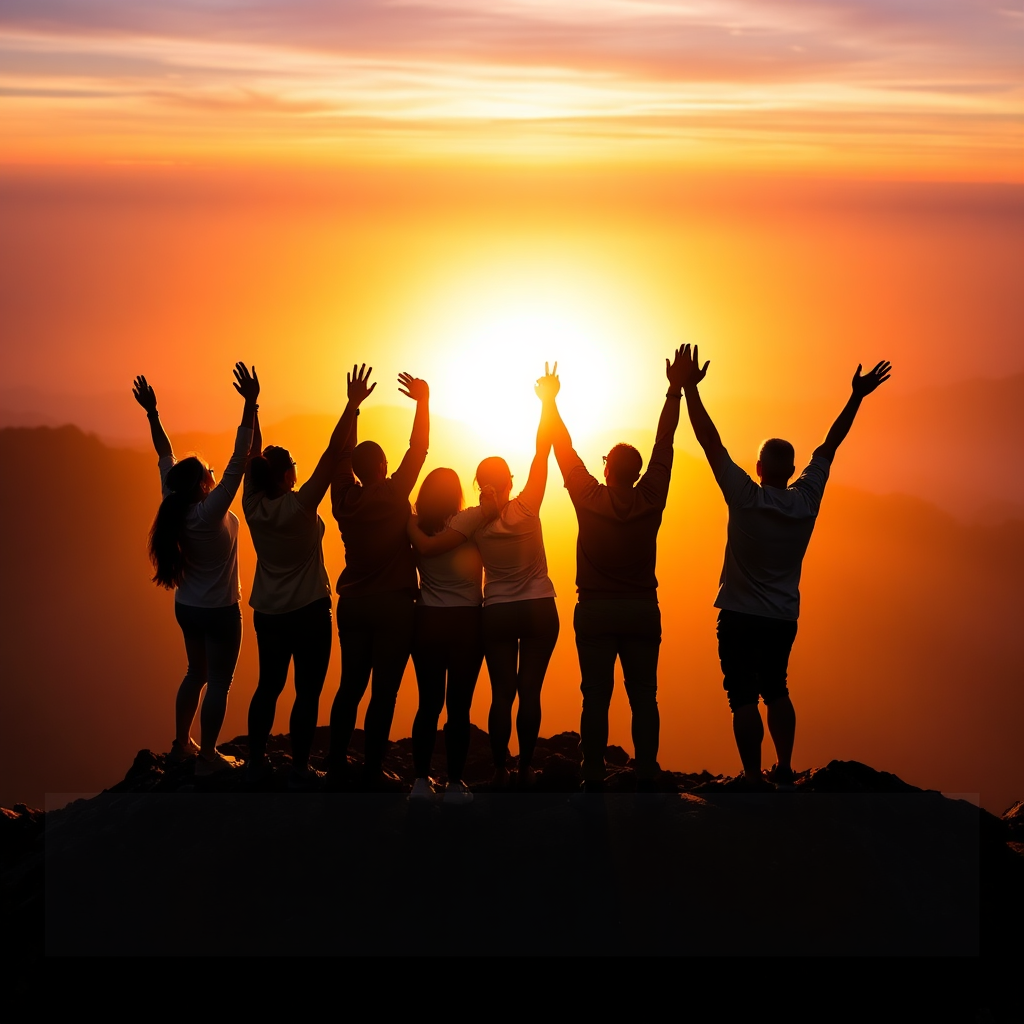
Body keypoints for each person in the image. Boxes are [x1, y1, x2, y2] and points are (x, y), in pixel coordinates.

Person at [681, 349, 892, 788]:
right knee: (776, 688)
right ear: (793, 469)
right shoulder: (806, 501)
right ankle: (784, 768)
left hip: (738, 614)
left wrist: (689, 389)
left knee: (741, 696)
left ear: (757, 469)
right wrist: (857, 397)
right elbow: (830, 445)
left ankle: (753, 775)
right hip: (782, 616)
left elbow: (710, 442)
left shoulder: (744, 496)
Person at [538, 351, 688, 792]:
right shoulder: (652, 497)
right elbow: (666, 444)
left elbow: (563, 450)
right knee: (644, 696)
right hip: (642, 608)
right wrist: (674, 390)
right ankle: (645, 770)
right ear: (639, 472)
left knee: (596, 697)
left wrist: (549, 402)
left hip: (596, 609)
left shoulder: (588, 496)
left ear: (606, 469)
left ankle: (592, 773)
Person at [409, 368, 558, 789]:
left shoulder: (473, 524)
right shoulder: (528, 505)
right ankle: (525, 769)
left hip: (494, 613)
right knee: (530, 692)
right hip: (540, 607)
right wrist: (548, 401)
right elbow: (542, 451)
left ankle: (497, 769)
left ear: (477, 486)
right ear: (510, 481)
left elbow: (443, 536)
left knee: (501, 695)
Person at [243, 365, 375, 790]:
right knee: (306, 692)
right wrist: (351, 405)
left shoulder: (252, 506)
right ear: (287, 476)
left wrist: (251, 404)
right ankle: (300, 767)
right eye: (293, 467)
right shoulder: (300, 507)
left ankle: (255, 762)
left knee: (268, 687)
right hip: (310, 613)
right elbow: (332, 454)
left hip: (268, 612)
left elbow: (252, 457)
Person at [133, 363, 258, 776]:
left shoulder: (175, 499)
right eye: (208, 472)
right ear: (204, 484)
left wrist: (153, 413)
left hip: (187, 606)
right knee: (219, 680)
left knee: (195, 672)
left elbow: (163, 452)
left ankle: (181, 745)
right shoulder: (210, 509)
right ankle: (207, 755)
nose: (213, 472)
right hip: (221, 609)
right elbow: (240, 460)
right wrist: (250, 405)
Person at [327, 370, 430, 789]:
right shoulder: (394, 493)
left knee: (349, 685)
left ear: (355, 469)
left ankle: (335, 764)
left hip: (352, 603)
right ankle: (372, 769)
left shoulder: (343, 500)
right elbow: (419, 448)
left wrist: (353, 405)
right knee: (383, 691)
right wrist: (423, 402)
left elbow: (338, 453)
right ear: (384, 466)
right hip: (393, 606)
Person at [406, 468, 486, 805]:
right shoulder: (469, 523)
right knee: (459, 707)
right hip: (468, 620)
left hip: (427, 621)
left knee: (428, 703)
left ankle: (421, 782)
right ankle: (454, 784)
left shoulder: (414, 525)